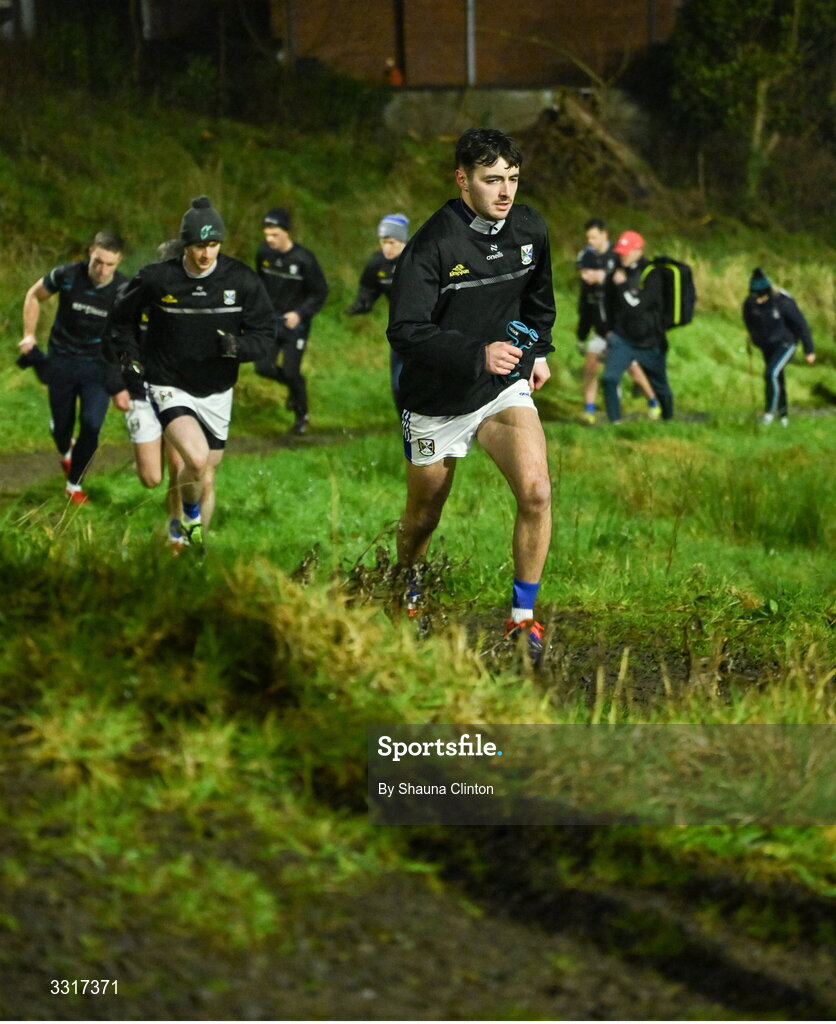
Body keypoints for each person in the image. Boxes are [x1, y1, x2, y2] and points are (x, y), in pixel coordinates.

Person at [387, 127, 555, 662]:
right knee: (423, 517)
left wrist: (538, 350)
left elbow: (538, 302)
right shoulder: (433, 245)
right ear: (463, 180)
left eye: (512, 179)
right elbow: (406, 330)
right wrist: (476, 352)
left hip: (499, 388)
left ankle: (522, 619)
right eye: (491, 180)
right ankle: (406, 587)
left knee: (536, 492)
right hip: (436, 399)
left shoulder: (529, 228)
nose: (505, 191)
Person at [109, 196, 276, 552]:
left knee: (205, 473)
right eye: (199, 246)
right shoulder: (157, 279)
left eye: (213, 245)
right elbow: (120, 319)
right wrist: (129, 359)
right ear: (185, 243)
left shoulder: (241, 280)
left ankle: (194, 545)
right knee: (194, 459)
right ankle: (187, 518)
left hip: (217, 390)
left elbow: (265, 333)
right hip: (168, 383)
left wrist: (237, 347)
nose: (206, 254)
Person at [104, 239, 213, 550]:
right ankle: (147, 458)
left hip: (177, 393)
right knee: (151, 478)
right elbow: (112, 342)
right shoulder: (135, 295)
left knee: (180, 466)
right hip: (140, 392)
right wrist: (118, 385)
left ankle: (176, 533)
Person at [16, 230, 127, 504]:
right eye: (98, 262)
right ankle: (65, 448)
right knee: (62, 428)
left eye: (109, 264)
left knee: (91, 425)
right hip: (62, 360)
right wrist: (29, 334)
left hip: (99, 366)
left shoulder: (125, 289)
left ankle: (74, 484)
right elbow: (33, 295)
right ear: (91, 252)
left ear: (119, 262)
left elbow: (133, 329)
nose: (102, 270)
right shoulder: (66, 275)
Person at [575, 218, 660, 424]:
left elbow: (628, 297)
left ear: (605, 235)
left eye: (594, 236)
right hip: (602, 331)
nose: (590, 241)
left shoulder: (617, 261)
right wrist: (581, 335)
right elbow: (586, 308)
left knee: (633, 369)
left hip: (619, 330)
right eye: (588, 237)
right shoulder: (589, 269)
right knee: (590, 364)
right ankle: (589, 410)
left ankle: (654, 402)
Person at [253, 207, 328, 435]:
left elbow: (320, 292)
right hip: (271, 322)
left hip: (296, 325)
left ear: (286, 232)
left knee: (291, 370)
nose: (270, 239)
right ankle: (295, 389)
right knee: (263, 367)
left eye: (275, 234)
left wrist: (300, 314)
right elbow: (260, 284)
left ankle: (301, 416)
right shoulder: (263, 254)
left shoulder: (304, 259)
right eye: (267, 234)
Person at [600, 230, 674, 423]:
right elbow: (608, 303)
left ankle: (668, 419)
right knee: (609, 378)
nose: (621, 255)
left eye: (626, 251)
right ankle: (615, 422)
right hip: (623, 339)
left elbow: (638, 307)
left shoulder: (652, 274)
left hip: (649, 340)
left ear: (639, 250)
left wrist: (623, 285)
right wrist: (608, 331)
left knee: (661, 387)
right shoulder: (616, 271)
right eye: (620, 251)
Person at [346, 212, 410, 408]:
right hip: (399, 329)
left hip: (430, 328)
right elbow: (368, 289)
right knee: (398, 384)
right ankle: (408, 427)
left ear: (402, 241)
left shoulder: (417, 259)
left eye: (391, 242)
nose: (386, 248)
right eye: (383, 242)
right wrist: (362, 304)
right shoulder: (377, 263)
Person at [743, 268, 815, 426]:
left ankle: (769, 413)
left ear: (767, 291)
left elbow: (802, 325)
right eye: (754, 294)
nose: (757, 298)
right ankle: (783, 417)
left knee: (770, 374)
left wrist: (809, 350)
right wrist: (753, 339)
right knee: (777, 378)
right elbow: (749, 323)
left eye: (760, 295)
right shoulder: (749, 304)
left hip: (786, 343)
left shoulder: (783, 303)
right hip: (766, 346)